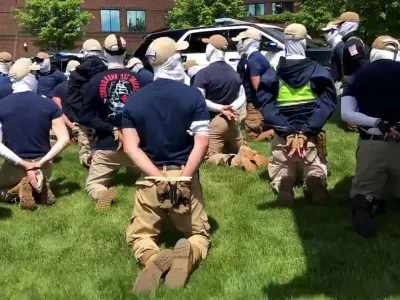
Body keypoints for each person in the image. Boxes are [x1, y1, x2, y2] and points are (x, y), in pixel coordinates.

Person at [122, 37, 210, 294]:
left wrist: (157, 176)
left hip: (150, 179)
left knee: (141, 235)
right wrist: (184, 177)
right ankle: (189, 253)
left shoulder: (134, 100)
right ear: (174, 61)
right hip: (185, 173)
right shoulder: (193, 96)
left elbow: (131, 147)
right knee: (198, 233)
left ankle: (152, 259)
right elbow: (201, 143)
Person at [256, 24, 336, 206]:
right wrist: (306, 131)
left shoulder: (273, 70)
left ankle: (284, 186)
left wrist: (287, 131)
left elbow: (266, 102)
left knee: (281, 167)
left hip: (283, 134)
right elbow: (327, 103)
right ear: (304, 42)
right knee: (314, 164)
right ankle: (315, 183)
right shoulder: (318, 71)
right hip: (310, 135)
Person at [80, 34, 149, 211]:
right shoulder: (142, 80)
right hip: (137, 146)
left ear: (104, 52)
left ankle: (102, 193)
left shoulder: (94, 81)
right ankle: (143, 190)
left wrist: (112, 128)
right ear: (126, 53)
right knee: (149, 176)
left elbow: (85, 117)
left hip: (107, 146)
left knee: (92, 184)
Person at [341, 36, 400, 238]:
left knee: (363, 192)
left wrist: (378, 122)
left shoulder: (359, 75)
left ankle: (367, 204)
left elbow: (346, 113)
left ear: (372, 52)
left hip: (373, 143)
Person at [0, 58, 70, 210]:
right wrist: (39, 163)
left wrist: (25, 165)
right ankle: (39, 186)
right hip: (43, 166)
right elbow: (64, 139)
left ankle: (16, 191)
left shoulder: (2, 105)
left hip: (14, 166)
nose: (36, 77)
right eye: (34, 73)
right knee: (38, 175)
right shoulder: (48, 104)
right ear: (28, 77)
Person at [193, 34, 268, 171]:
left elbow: (199, 99)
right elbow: (242, 96)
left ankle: (236, 161)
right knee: (238, 147)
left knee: (209, 157)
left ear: (211, 49)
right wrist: (231, 108)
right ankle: (253, 155)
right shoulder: (233, 73)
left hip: (214, 121)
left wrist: (221, 108)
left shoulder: (203, 73)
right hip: (232, 120)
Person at [66, 39, 108, 170]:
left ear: (84, 53)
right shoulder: (107, 70)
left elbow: (72, 98)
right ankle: (101, 169)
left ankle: (88, 167)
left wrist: (83, 113)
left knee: (85, 145)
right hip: (103, 115)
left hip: (85, 115)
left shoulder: (76, 73)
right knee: (101, 145)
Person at [232, 29, 274, 142]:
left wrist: (261, 102)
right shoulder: (257, 57)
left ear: (249, 41)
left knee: (252, 138)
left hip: (256, 103)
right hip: (259, 102)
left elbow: (257, 85)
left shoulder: (253, 60)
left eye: (243, 40)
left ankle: (281, 131)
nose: (240, 43)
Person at [52, 60, 93, 167]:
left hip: (66, 124)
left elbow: (58, 111)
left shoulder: (59, 88)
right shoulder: (88, 87)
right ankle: (88, 159)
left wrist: (70, 125)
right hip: (84, 124)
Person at [321, 21, 345, 85]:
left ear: (334, 31)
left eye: (327, 31)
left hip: (339, 83)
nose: (325, 34)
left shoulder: (339, 46)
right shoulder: (337, 45)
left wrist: (343, 82)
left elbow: (345, 64)